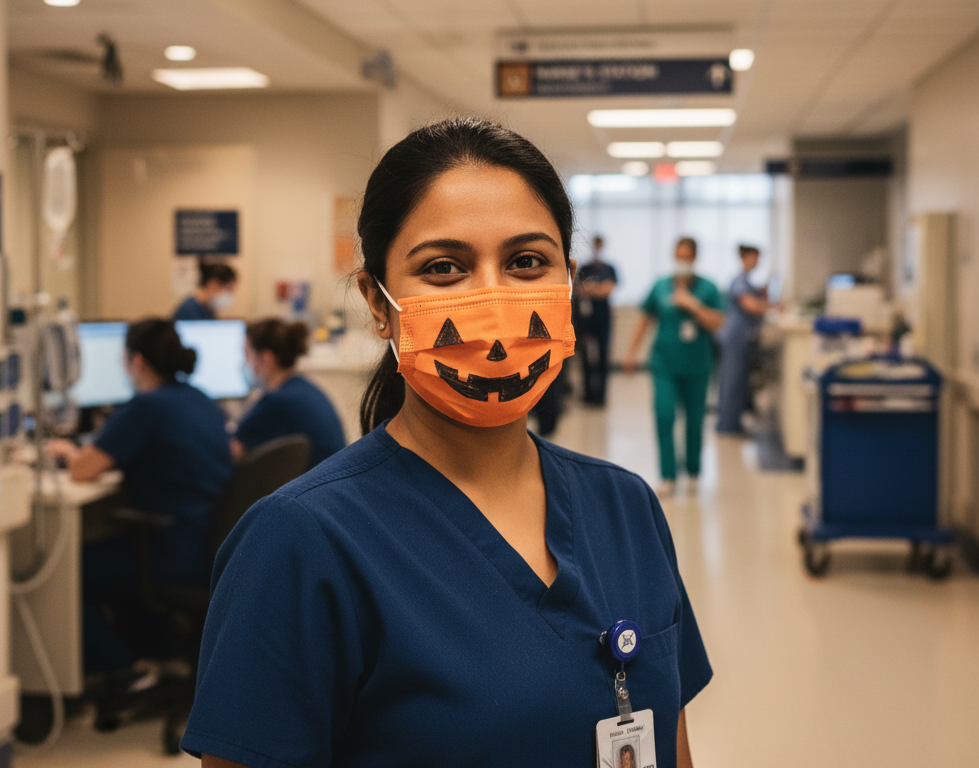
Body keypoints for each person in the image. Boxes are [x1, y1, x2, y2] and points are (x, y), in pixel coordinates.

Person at [181, 118, 710, 768]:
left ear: (566, 282)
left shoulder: (626, 509)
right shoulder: (300, 545)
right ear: (379, 303)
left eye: (525, 262)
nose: (492, 301)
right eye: (444, 267)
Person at [47, 319, 232, 674]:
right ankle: (163, 653)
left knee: (66, 570)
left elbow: (83, 470)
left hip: (173, 552)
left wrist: (66, 452)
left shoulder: (147, 407)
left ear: (137, 361)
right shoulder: (200, 399)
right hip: (205, 544)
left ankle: (129, 671)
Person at [623, 238, 724, 497]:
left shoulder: (708, 288)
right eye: (679, 256)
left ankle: (693, 471)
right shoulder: (660, 286)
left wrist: (693, 305)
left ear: (695, 258)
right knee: (664, 415)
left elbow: (717, 323)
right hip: (664, 364)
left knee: (694, 422)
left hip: (697, 366)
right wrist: (632, 352)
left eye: (687, 257)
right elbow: (645, 319)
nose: (683, 262)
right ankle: (668, 475)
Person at [232, 318, 346, 468]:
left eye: (247, 355)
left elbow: (232, 453)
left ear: (266, 359)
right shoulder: (303, 388)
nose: (244, 363)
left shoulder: (277, 401)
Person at [716, 245, 770, 436]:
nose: (757, 262)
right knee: (733, 381)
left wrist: (764, 296)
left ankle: (733, 422)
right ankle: (727, 425)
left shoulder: (748, 281)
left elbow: (757, 300)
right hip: (735, 336)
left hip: (742, 336)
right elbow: (749, 305)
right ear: (746, 257)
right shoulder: (739, 280)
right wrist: (770, 306)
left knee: (739, 382)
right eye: (755, 257)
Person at [574, 235, 618, 405]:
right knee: (585, 357)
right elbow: (576, 289)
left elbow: (607, 291)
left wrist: (591, 289)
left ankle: (601, 396)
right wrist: (595, 289)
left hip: (603, 319)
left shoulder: (609, 268)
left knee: (602, 356)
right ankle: (588, 394)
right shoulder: (584, 267)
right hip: (585, 320)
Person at [173, 261, 238, 320]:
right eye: (229, 289)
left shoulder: (208, 310)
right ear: (213, 284)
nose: (230, 294)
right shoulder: (189, 310)